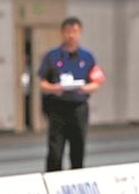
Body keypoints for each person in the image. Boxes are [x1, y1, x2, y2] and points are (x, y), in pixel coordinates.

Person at [38, 17, 105, 171]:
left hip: (78, 108)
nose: (71, 35)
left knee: (78, 148)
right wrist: (54, 88)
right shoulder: (52, 56)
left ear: (79, 33)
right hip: (57, 108)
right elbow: (41, 83)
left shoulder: (87, 57)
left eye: (74, 32)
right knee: (55, 150)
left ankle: (77, 178)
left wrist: (85, 88)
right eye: (68, 32)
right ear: (62, 33)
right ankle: (53, 178)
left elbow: (97, 82)